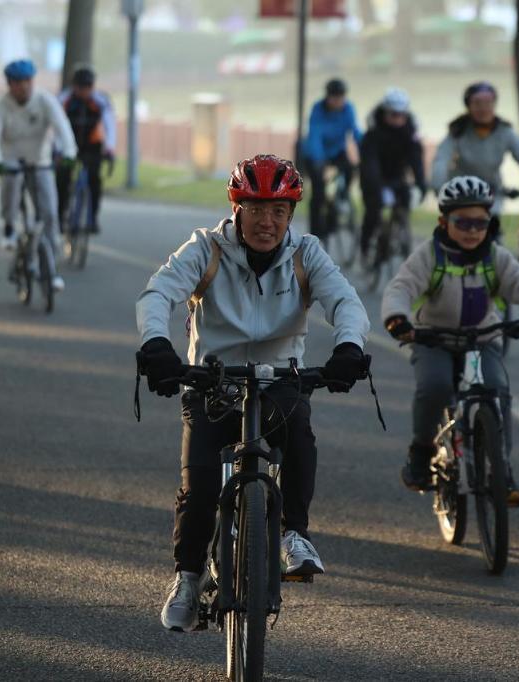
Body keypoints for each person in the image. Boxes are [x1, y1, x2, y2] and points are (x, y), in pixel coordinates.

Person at [136, 154, 370, 632]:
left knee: (299, 435)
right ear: (237, 208)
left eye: (279, 211)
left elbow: (345, 301)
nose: (268, 221)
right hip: (211, 381)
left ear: (291, 214)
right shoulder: (207, 249)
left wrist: (349, 346)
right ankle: (188, 576)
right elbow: (158, 293)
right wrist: (156, 346)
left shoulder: (306, 254)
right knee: (199, 485)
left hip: (279, 380)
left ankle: (293, 536)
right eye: (257, 208)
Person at [381, 176, 519, 507]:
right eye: (463, 223)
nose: (473, 230)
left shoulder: (495, 256)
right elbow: (400, 288)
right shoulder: (429, 255)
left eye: (481, 223)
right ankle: (421, 452)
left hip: (481, 341)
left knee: (494, 389)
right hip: (434, 339)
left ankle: (502, 472)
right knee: (434, 386)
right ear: (444, 222)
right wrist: (397, 318)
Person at [0, 58, 77, 291]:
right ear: (9, 85)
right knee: (11, 189)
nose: (23, 86)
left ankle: (52, 270)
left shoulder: (45, 100)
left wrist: (69, 153)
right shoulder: (0, 107)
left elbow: (62, 126)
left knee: (49, 212)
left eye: (27, 81)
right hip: (11, 160)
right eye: (17, 82)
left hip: (40, 161)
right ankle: (8, 226)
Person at [430, 81, 519, 215]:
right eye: (477, 103)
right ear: (469, 106)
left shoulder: (504, 131)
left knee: (491, 227)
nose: (483, 109)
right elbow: (441, 160)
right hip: (461, 193)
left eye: (488, 103)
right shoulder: (458, 131)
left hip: (492, 193)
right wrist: (440, 187)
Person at [358, 87, 427, 266]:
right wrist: (376, 185)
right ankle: (365, 247)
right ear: (385, 112)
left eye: (401, 115)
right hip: (374, 176)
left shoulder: (410, 132)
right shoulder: (373, 133)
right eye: (393, 114)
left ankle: (399, 231)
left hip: (396, 176)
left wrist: (421, 182)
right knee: (373, 209)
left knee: (405, 199)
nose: (397, 119)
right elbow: (369, 162)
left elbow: (416, 158)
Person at [56, 65, 116, 234]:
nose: (85, 91)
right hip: (68, 145)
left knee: (95, 180)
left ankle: (93, 219)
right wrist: (58, 150)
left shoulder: (101, 101)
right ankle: (60, 216)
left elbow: (110, 125)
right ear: (74, 86)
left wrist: (110, 148)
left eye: (88, 87)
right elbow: (56, 127)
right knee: (62, 178)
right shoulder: (63, 100)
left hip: (92, 146)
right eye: (81, 87)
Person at [301, 78, 362, 238]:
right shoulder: (318, 109)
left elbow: (355, 131)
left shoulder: (348, 109)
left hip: (336, 152)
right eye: (334, 98)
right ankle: (314, 233)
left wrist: (365, 148)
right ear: (327, 97)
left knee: (349, 170)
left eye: (341, 98)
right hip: (316, 154)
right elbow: (315, 135)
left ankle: (341, 198)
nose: (338, 102)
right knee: (318, 192)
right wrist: (318, 161)